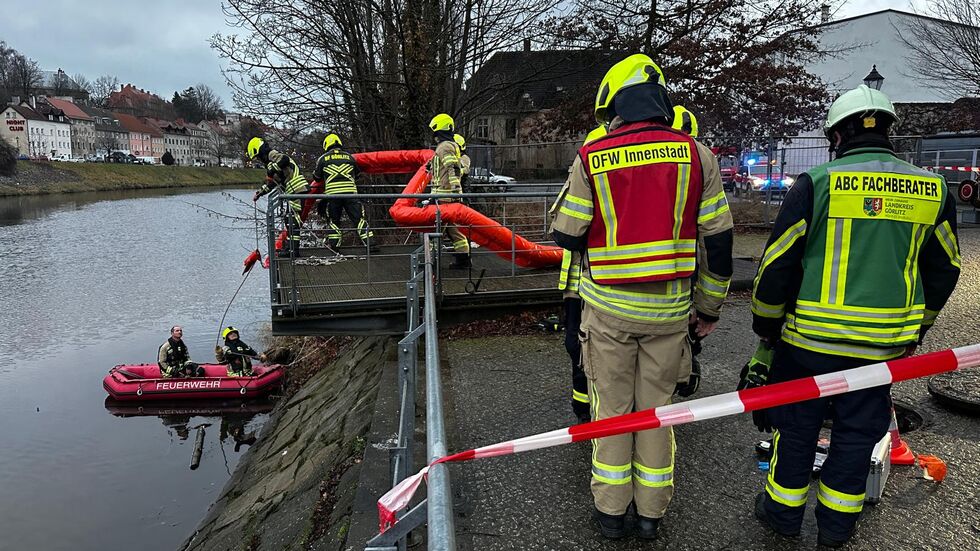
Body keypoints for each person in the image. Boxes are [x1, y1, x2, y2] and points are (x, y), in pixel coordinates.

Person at [748, 85, 961, 548]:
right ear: (889, 131)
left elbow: (777, 264)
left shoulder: (817, 183)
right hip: (883, 346)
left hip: (809, 344)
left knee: (796, 428)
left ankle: (782, 516)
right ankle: (836, 527)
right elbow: (946, 267)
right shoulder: (933, 189)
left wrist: (766, 328)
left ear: (837, 135)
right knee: (857, 435)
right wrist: (918, 327)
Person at [550, 54, 733, 540]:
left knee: (612, 412)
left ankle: (611, 513)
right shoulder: (697, 155)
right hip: (670, 314)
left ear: (615, 105)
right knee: (658, 413)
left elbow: (566, 233)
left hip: (608, 312)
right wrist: (709, 308)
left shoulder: (594, 156)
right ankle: (651, 514)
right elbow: (719, 243)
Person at [553, 125, 608, 425]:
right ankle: (584, 407)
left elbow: (564, 230)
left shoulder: (587, 167)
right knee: (577, 345)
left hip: (596, 282)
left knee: (591, 346)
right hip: (580, 282)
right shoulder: (582, 173)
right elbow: (563, 228)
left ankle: (590, 409)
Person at [312, 133, 377, 251]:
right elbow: (358, 175)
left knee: (334, 221)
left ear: (326, 145)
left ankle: (335, 247)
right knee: (359, 219)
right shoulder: (350, 157)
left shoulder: (322, 159)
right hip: (350, 194)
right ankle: (371, 245)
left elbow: (317, 177)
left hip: (333, 195)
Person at [248, 137, 310, 258]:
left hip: (297, 189)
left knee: (293, 220)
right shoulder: (271, 162)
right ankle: (290, 248)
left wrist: (272, 169)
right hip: (294, 191)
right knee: (289, 219)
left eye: (258, 157)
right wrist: (260, 193)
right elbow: (273, 183)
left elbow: (284, 159)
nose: (259, 160)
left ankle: (293, 251)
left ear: (260, 151)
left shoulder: (272, 154)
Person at [428, 114, 471, 268]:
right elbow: (446, 167)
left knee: (434, 230)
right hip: (445, 195)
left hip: (444, 196)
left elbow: (452, 168)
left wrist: (455, 189)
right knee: (452, 229)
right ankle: (463, 259)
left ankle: (430, 262)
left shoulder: (444, 146)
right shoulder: (446, 146)